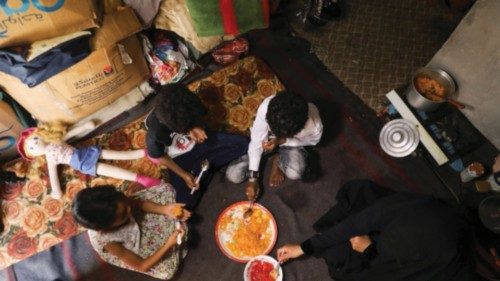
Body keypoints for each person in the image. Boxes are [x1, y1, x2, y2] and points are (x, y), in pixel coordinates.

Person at [276, 180, 479, 281]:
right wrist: (303, 247)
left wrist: (369, 251)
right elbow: (355, 224)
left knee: (338, 264)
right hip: (407, 225)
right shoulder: (403, 208)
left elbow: (388, 275)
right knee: (358, 190)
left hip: (396, 260)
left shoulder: (442, 261)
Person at [145, 84, 249, 209]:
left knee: (244, 143)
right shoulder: (156, 130)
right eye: (184, 130)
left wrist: (197, 127)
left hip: (201, 146)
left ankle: (203, 169)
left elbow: (198, 117)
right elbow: (159, 157)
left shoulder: (188, 102)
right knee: (184, 205)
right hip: (181, 159)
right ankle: (204, 169)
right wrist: (184, 175)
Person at [72, 183, 190, 280]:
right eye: (123, 214)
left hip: (128, 222)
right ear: (107, 228)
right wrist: (168, 244)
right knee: (167, 269)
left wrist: (164, 209)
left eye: (125, 202)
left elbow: (137, 204)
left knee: (166, 190)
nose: (130, 209)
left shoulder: (117, 203)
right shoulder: (106, 241)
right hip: (131, 244)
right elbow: (142, 265)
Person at [16, 121, 160, 198]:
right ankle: (140, 178)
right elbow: (53, 177)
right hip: (81, 163)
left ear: (40, 134)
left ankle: (145, 153)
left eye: (33, 139)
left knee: (115, 154)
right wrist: (56, 191)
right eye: (32, 148)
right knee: (112, 171)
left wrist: (84, 127)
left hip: (84, 152)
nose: (34, 143)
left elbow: (70, 134)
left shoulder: (55, 140)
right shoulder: (50, 160)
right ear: (34, 156)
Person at [225, 91, 323, 200]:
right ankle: (272, 154)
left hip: (290, 143)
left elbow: (310, 142)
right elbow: (257, 140)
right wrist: (253, 179)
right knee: (233, 175)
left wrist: (282, 141)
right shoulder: (267, 107)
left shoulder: (315, 126)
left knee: (295, 172)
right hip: (267, 140)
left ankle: (277, 160)